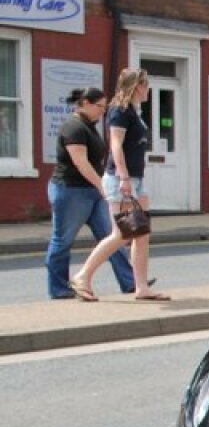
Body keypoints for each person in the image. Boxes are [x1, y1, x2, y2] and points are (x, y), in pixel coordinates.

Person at [72, 68, 169, 302]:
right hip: (120, 178)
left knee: (142, 233)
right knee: (122, 233)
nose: (148, 89)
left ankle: (142, 287)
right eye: (146, 85)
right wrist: (124, 178)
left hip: (136, 178)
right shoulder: (119, 111)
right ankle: (82, 276)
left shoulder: (134, 111)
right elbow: (115, 145)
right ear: (137, 86)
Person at [44, 88, 138, 300]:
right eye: (99, 107)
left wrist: (99, 187)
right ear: (85, 103)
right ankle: (59, 289)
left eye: (105, 108)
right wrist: (102, 186)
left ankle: (130, 281)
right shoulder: (73, 127)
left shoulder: (89, 126)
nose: (102, 112)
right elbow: (81, 162)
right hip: (70, 190)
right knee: (62, 240)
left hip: (91, 190)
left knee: (112, 236)